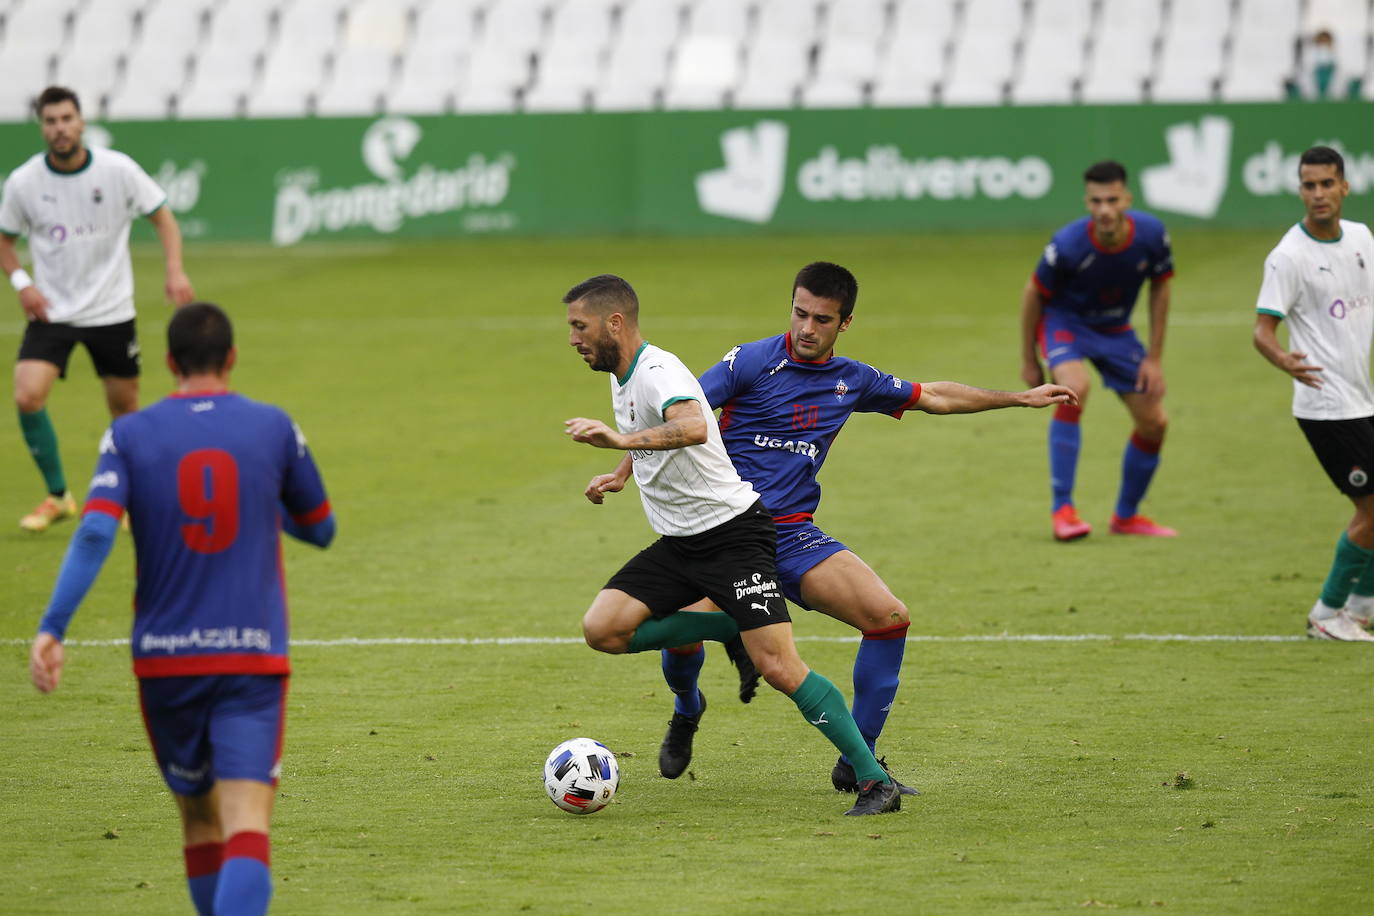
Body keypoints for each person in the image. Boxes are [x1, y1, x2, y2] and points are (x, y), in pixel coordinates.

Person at [585, 262, 1077, 791]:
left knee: (888, 617)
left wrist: (1018, 398)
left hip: (793, 535)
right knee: (680, 640)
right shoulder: (749, 362)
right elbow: (674, 416)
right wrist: (619, 471)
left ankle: (859, 759)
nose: (806, 328)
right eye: (799, 313)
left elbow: (933, 396)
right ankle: (687, 709)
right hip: (723, 530)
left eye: (822, 318)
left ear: (845, 323)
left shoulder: (852, 380)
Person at [29, 302, 336, 914]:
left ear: (168, 362)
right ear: (232, 358)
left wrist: (53, 627)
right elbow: (321, 527)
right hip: (251, 660)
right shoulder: (273, 426)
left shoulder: (129, 434)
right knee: (247, 823)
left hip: (166, 663)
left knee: (199, 825)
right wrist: (259, 500)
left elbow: (92, 535)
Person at [564, 273, 901, 816]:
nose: (574, 339)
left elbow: (695, 425)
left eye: (580, 327)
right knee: (602, 629)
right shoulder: (621, 374)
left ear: (614, 323)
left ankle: (871, 780)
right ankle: (726, 625)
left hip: (733, 536)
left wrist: (621, 439)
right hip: (680, 543)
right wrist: (621, 470)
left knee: (779, 666)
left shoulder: (657, 372)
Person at [1, 85, 195, 533]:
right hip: (52, 311)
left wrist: (175, 270)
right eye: (51, 121)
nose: (60, 128)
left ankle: (127, 498)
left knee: (124, 410)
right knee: (27, 395)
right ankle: (58, 495)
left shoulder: (117, 170)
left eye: (67, 118)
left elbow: (163, 216)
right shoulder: (24, 182)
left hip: (111, 311)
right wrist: (22, 283)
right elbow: (5, 240)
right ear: (42, 127)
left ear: (82, 121)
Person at [1252, 145, 1374, 642]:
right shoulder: (1289, 257)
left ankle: (1362, 606)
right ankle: (1326, 614)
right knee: (1371, 509)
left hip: (1362, 399)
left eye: (1326, 183)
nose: (1318, 194)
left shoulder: (1363, 239)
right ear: (1299, 189)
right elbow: (1261, 332)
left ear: (1345, 186)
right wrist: (1283, 359)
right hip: (1325, 405)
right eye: (1308, 185)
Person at [1020, 160, 1177, 541]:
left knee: (1155, 422)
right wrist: (1029, 359)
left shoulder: (1152, 235)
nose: (1104, 209)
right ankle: (1063, 511)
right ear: (1086, 202)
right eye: (1096, 201)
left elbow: (1161, 287)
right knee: (1075, 387)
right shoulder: (1068, 244)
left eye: (1111, 199)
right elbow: (1033, 294)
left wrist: (1154, 358)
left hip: (1115, 331)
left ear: (1126, 198)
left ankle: (1126, 517)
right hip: (1065, 324)